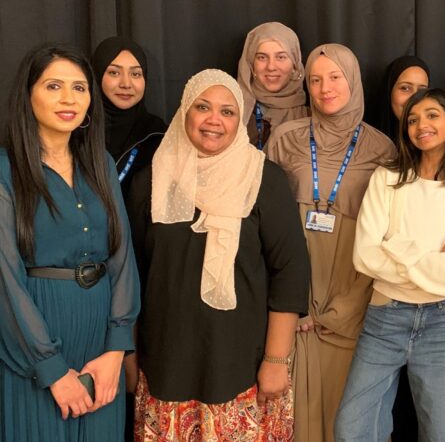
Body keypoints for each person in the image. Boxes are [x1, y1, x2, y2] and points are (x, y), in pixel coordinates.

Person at [128, 69, 309, 441]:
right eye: (202, 107)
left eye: (227, 111)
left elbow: (289, 274)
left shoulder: (264, 179)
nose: (214, 120)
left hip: (243, 368)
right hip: (166, 364)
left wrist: (276, 361)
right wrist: (129, 353)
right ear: (184, 113)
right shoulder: (150, 180)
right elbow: (131, 276)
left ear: (239, 119)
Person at [0, 43, 139, 441]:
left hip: (100, 345)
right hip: (32, 346)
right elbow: (5, 283)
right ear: (28, 95)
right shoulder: (6, 172)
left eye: (79, 88)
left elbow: (122, 259)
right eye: (54, 86)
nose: (68, 98)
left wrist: (116, 351)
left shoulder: (102, 167)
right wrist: (52, 370)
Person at [335, 88, 445, 442]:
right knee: (351, 428)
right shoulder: (387, 180)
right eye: (414, 119)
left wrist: (395, 247)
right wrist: (432, 256)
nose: (422, 125)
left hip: (443, 321)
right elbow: (364, 256)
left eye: (432, 115)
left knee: (437, 433)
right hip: (385, 316)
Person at [267, 43, 396, 442]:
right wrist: (291, 303)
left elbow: (389, 237)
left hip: (351, 304)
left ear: (353, 80)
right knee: (293, 422)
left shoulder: (382, 149)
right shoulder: (285, 139)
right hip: (294, 302)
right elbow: (266, 227)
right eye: (316, 79)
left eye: (335, 77)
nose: (325, 88)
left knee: (349, 423)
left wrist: (346, 308)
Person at [91, 37, 166, 198]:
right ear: (96, 75)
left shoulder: (157, 134)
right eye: (114, 72)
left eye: (136, 74)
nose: (126, 83)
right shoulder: (78, 129)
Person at [237, 22, 309, 150]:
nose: (271, 67)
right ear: (251, 65)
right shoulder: (233, 112)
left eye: (281, 57)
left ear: (295, 65)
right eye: (262, 57)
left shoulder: (313, 117)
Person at [380, 55, 430, 141]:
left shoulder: (435, 142)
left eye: (422, 90)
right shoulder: (365, 141)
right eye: (405, 88)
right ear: (389, 91)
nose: (414, 98)